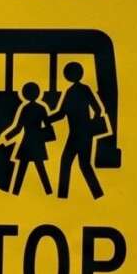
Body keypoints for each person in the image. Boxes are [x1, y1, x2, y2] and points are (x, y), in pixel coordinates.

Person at [48, 61, 108, 199]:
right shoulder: (82, 89)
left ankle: (63, 196)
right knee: (83, 164)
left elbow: (62, 113)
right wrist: (91, 124)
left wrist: (46, 119)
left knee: (68, 162)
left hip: (77, 134)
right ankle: (97, 194)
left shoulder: (72, 91)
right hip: (81, 133)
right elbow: (98, 109)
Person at [2, 81, 54, 195]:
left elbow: (18, 127)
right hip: (37, 141)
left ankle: (15, 192)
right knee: (40, 168)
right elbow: (48, 124)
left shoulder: (25, 108)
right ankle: (48, 191)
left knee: (22, 168)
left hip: (27, 141)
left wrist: (6, 137)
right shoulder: (41, 108)